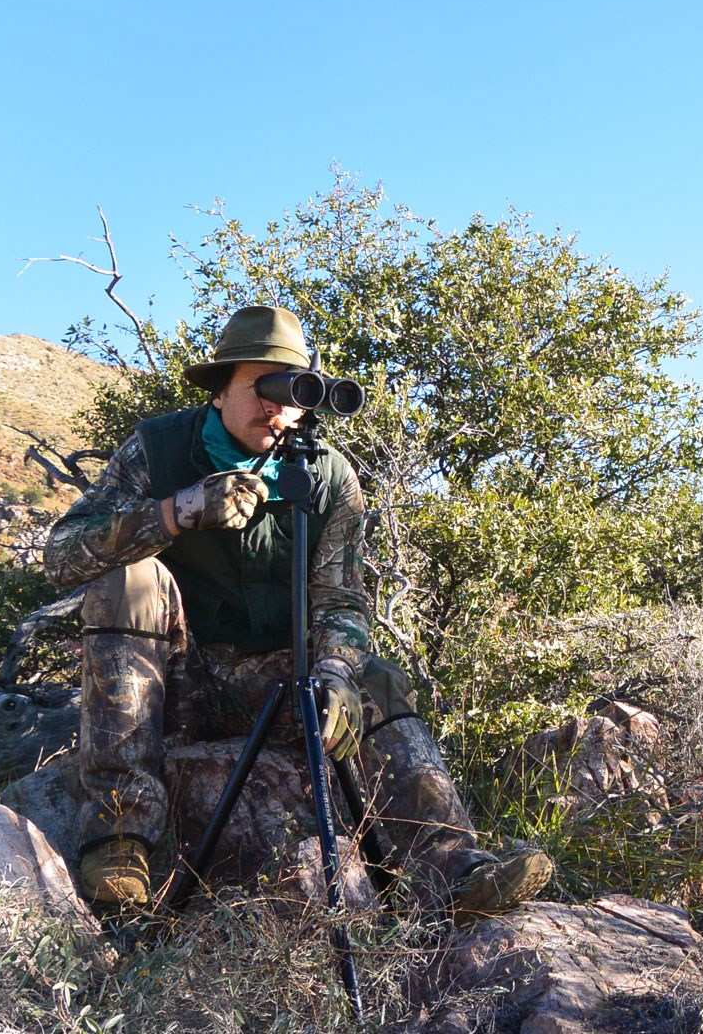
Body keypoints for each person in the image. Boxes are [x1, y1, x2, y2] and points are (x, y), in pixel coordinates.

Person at [44, 304, 550, 912]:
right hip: (177, 680)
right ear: (221, 389)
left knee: (377, 680)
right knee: (129, 579)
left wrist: (335, 671)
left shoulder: (328, 476)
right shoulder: (157, 451)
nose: (276, 408)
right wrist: (173, 513)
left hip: (281, 684)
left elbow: (341, 599)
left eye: (293, 393)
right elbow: (62, 556)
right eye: (262, 387)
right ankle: (120, 843)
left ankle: (455, 871)